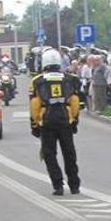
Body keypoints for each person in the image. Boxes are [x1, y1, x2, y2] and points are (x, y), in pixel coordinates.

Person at [29, 48, 81, 196]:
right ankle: (74, 185)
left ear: (43, 63)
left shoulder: (37, 81)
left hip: (47, 122)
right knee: (69, 153)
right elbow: (75, 102)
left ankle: (58, 185)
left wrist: (34, 125)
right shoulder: (70, 79)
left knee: (49, 154)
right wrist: (75, 121)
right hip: (65, 120)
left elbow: (34, 105)